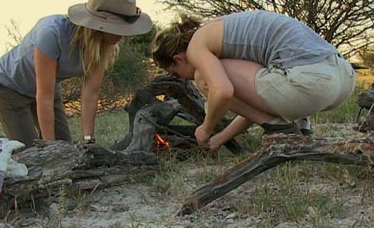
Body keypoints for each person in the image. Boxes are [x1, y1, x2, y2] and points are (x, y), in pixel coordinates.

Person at [150, 10, 356, 150]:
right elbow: (257, 103)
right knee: (270, 72)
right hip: (342, 77)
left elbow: (222, 91)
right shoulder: (223, 29)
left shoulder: (196, 47)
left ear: (178, 58)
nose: (183, 81)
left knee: (203, 77)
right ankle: (302, 129)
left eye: (176, 74)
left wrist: (206, 129)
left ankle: (284, 129)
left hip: (310, 83)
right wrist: (220, 138)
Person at [0, 0, 152, 147]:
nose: (124, 35)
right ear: (99, 25)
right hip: (8, 88)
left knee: (66, 148)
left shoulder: (103, 47)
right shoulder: (51, 33)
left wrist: (89, 140)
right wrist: (50, 149)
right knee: (28, 154)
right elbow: (44, 96)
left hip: (48, 92)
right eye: (120, 28)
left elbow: (90, 94)